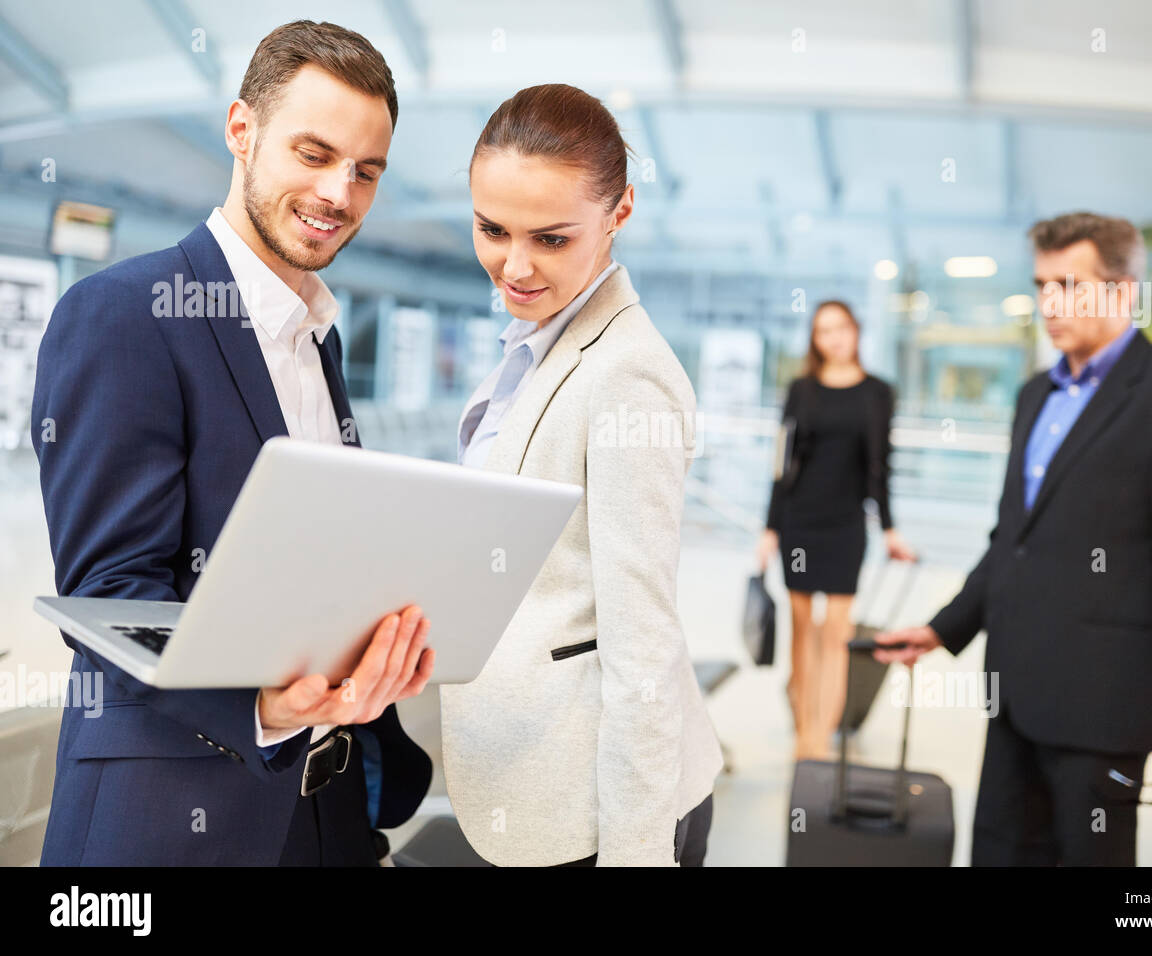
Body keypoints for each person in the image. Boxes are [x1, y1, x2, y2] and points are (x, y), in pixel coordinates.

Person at [30, 20, 435, 866]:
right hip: (175, 817)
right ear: (241, 131)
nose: (339, 192)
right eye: (314, 153)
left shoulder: (313, 337)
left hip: (328, 808)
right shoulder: (127, 313)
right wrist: (263, 704)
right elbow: (112, 597)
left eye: (366, 171)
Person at [876, 211, 1152, 866]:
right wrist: (942, 628)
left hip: (1104, 708)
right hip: (1016, 692)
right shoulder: (1033, 396)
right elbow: (1013, 539)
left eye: (1070, 286)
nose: (1050, 303)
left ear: (1123, 291)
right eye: (1043, 285)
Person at [439, 83, 724, 867]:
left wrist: (635, 856)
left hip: (601, 822)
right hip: (533, 789)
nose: (515, 265)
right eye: (491, 228)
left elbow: (644, 642)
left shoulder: (628, 375)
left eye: (552, 239)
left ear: (620, 213)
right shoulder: (533, 346)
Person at [757, 300, 915, 760]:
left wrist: (889, 528)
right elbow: (781, 464)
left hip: (846, 526)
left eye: (841, 328)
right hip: (799, 522)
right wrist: (770, 528)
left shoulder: (878, 393)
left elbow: (880, 467)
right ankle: (803, 725)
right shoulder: (801, 390)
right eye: (824, 331)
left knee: (837, 634)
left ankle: (820, 739)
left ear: (856, 331)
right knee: (803, 632)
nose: (834, 338)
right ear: (815, 339)